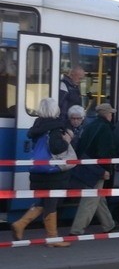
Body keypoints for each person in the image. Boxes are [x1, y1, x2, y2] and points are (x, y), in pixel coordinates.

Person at [12, 98, 74, 247]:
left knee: (42, 201)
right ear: (55, 110)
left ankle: (20, 224)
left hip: (38, 171)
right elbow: (56, 148)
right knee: (51, 203)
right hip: (52, 173)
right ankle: (52, 238)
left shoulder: (37, 126)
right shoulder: (56, 127)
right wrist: (67, 139)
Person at [69, 103, 118, 236]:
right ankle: (77, 229)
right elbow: (105, 152)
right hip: (97, 168)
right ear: (107, 114)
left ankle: (109, 224)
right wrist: (105, 170)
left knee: (99, 197)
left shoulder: (90, 126)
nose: (112, 115)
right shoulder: (105, 129)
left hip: (87, 165)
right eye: (111, 113)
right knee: (90, 200)